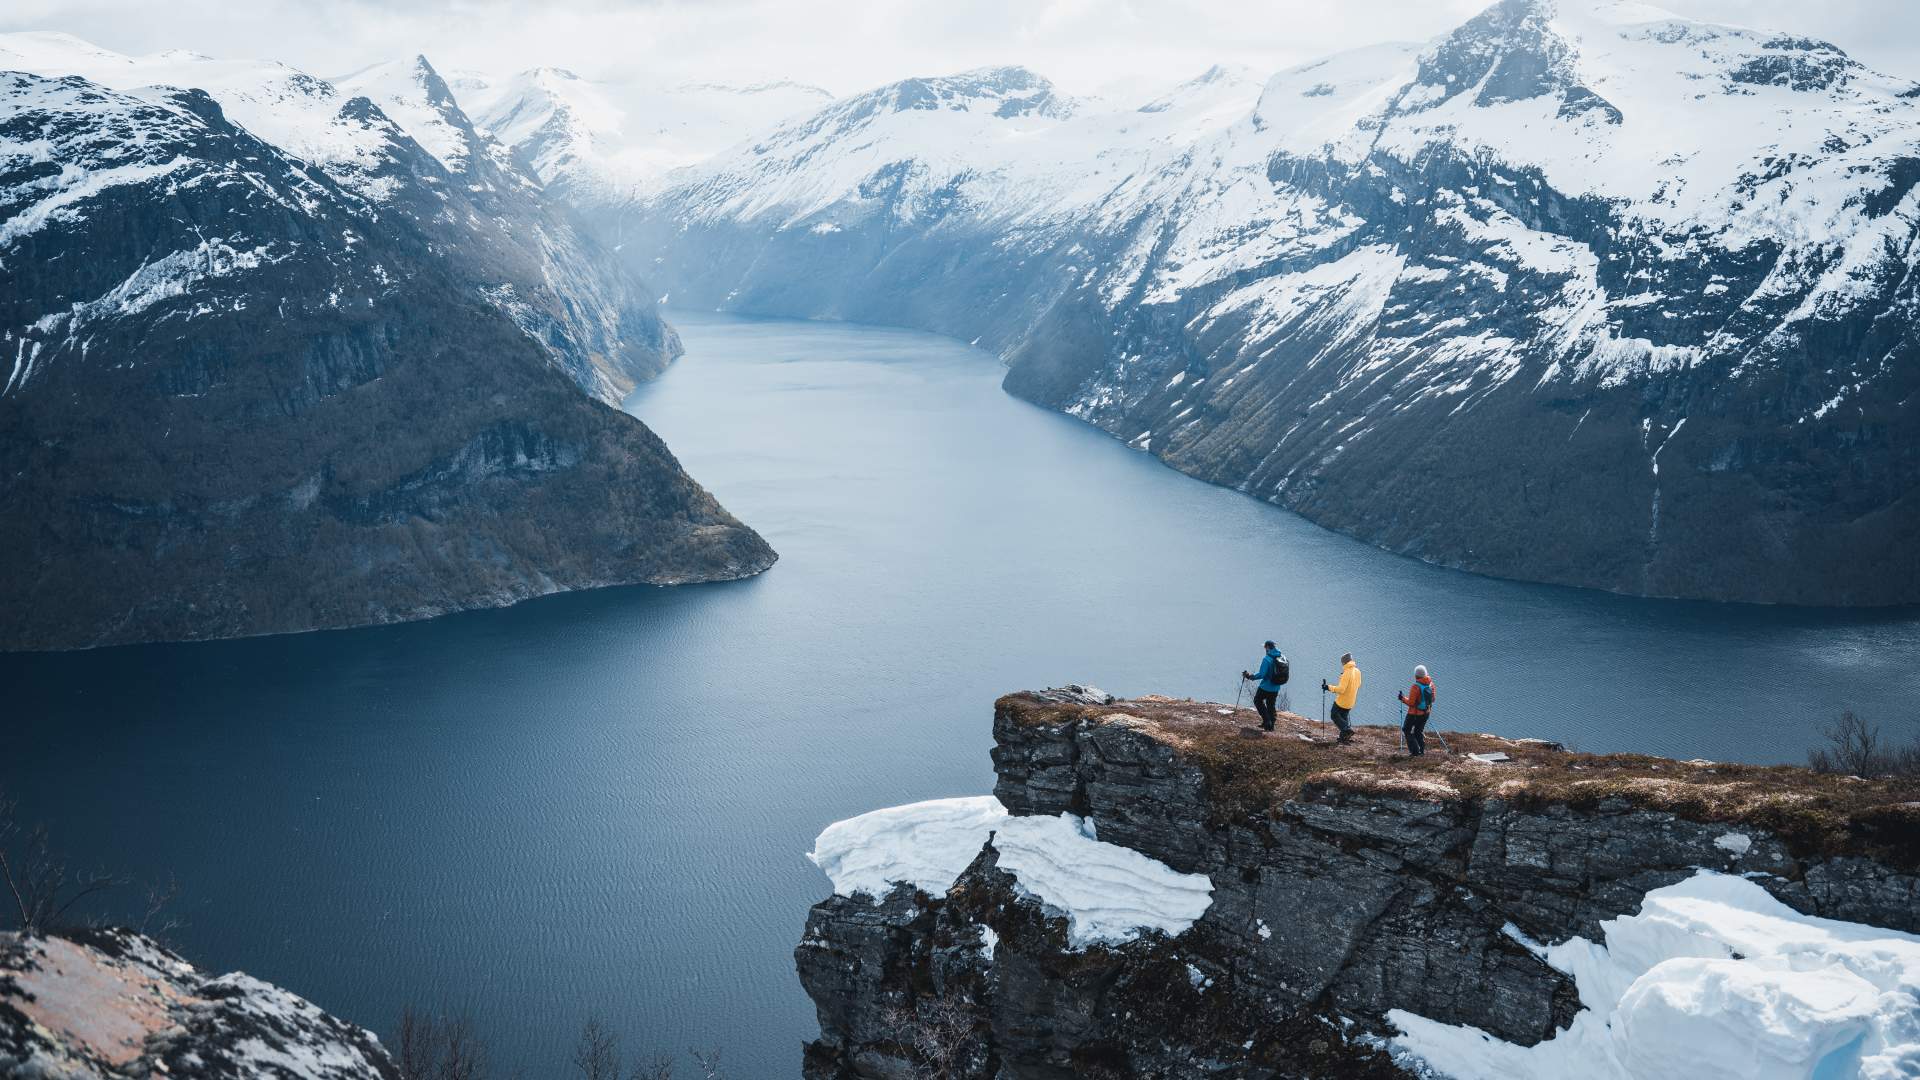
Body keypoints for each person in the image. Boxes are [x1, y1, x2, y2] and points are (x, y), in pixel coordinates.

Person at [1241, 641, 1288, 732]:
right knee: (1271, 705)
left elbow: (1262, 674)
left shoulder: (1267, 659)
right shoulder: (1281, 657)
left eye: (1265, 647)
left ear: (1267, 648)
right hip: (1276, 687)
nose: (1264, 649)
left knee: (1257, 701)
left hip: (1266, 686)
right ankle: (1271, 726)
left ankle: (1267, 721)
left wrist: (1250, 676)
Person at [1321, 653, 1361, 743]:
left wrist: (1328, 687)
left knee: (1334, 715)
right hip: (1351, 701)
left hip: (1342, 701)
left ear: (1344, 662)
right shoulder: (1357, 671)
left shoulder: (1347, 673)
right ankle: (1344, 738)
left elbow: (1341, 689)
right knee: (1343, 717)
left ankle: (1347, 730)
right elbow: (1358, 685)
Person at [1397, 665, 1435, 756]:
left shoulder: (1415, 687)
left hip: (1414, 714)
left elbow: (1411, 703)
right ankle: (1421, 751)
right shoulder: (1431, 684)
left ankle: (1415, 752)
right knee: (1418, 731)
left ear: (1416, 675)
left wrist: (1402, 698)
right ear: (1425, 674)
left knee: (1406, 729)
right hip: (1426, 712)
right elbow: (1433, 699)